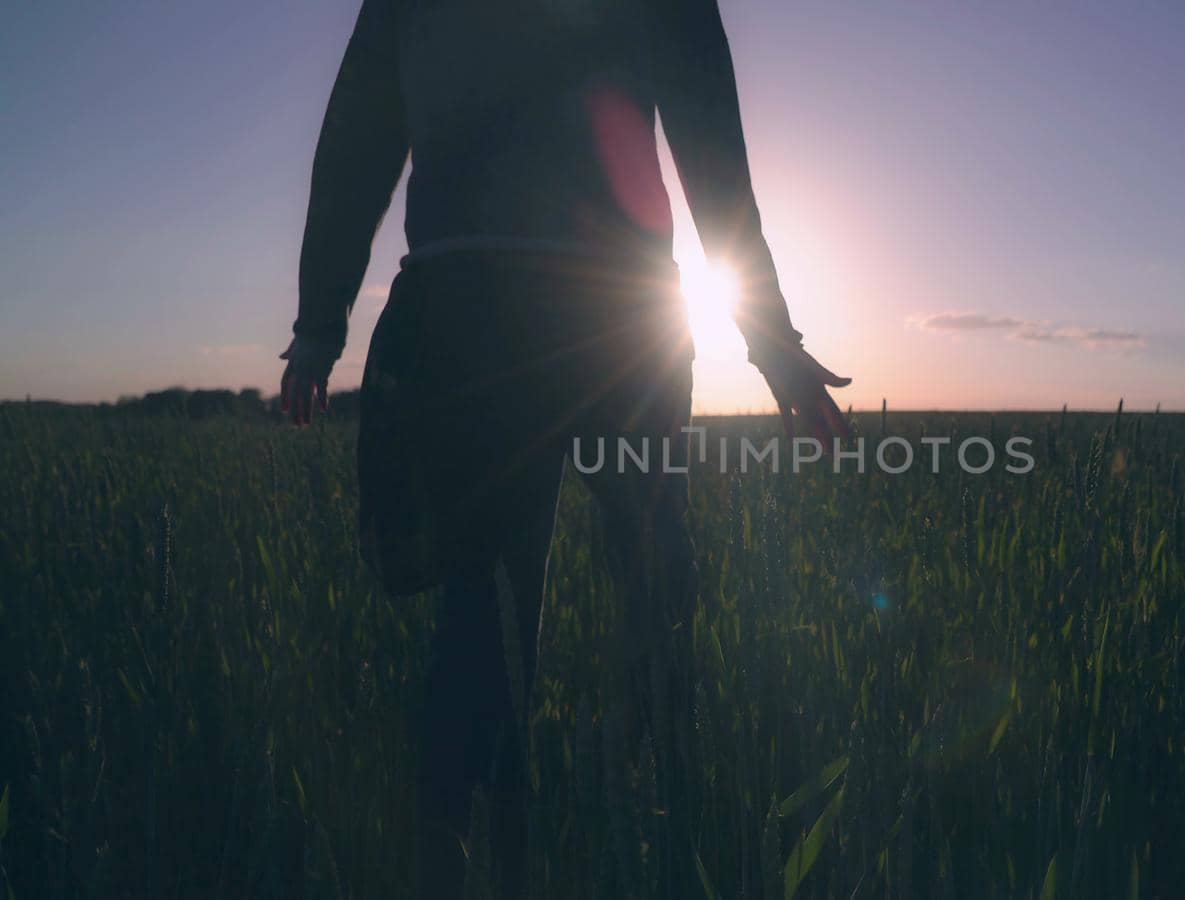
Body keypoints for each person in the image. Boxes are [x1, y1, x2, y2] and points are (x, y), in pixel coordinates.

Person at [276, 1, 851, 896]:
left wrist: (320, 324)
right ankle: (664, 836)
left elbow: (357, 132)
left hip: (479, 309)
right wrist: (768, 336)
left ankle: (489, 860)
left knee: (489, 610)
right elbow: (709, 137)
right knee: (648, 589)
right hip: (608, 316)